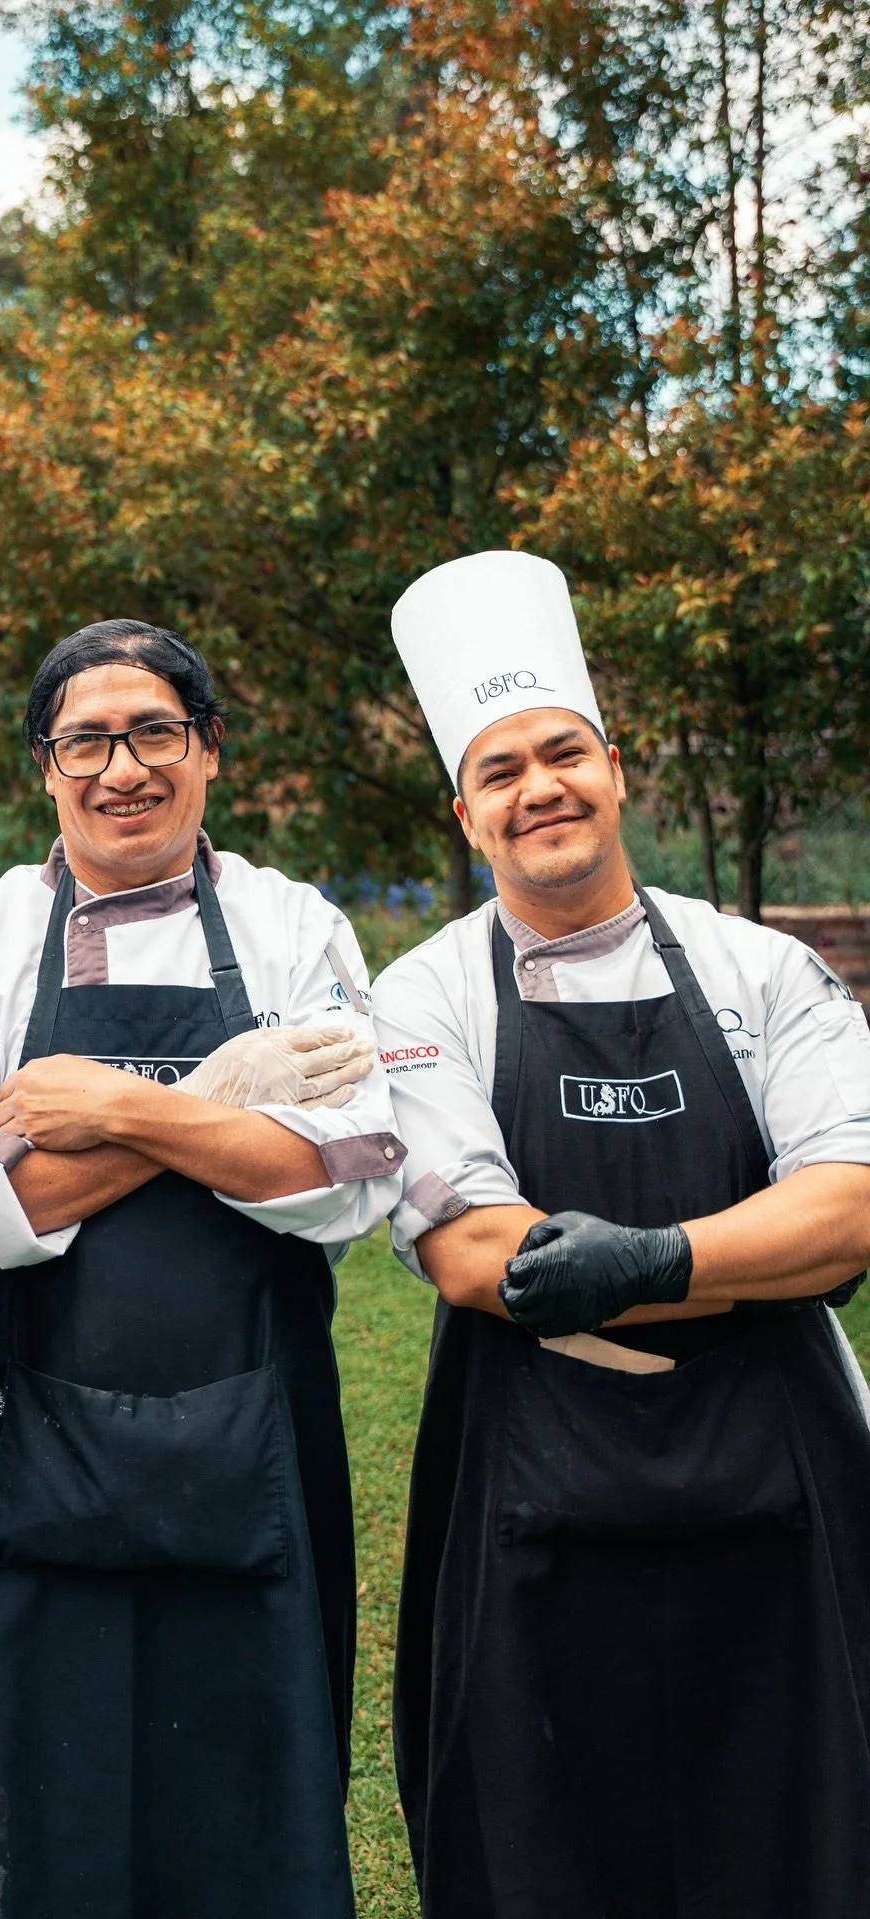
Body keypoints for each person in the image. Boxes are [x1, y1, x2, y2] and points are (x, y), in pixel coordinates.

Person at [373, 548, 870, 1919]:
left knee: (795, 1849)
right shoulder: (421, 994)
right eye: (503, 769)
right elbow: (482, 1255)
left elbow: (850, 1208)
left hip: (781, 1506)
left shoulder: (762, 968)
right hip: (536, 1518)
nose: (542, 787)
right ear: (465, 809)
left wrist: (648, 1261)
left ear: (617, 767)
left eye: (565, 751)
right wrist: (743, 1261)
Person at [0, 619, 405, 1919]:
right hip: (17, 1447)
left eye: (154, 733)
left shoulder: (294, 925)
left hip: (253, 1437)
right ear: (44, 764)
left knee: (246, 1802)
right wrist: (229, 1106)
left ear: (209, 752)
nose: (121, 767)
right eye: (87, 739)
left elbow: (345, 1179)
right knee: (24, 1818)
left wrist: (120, 1110)